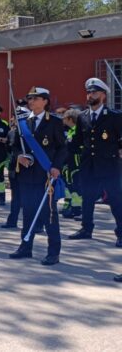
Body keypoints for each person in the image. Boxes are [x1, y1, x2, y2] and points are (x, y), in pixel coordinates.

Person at [8, 87, 66, 266]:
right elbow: (14, 145)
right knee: (28, 212)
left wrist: (56, 166)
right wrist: (18, 156)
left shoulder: (54, 122)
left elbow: (63, 148)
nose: (31, 102)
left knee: (49, 215)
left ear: (45, 101)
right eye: (29, 99)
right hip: (27, 175)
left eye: (35, 98)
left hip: (46, 174)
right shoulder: (24, 122)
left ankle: (53, 252)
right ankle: (26, 246)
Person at [67, 78, 122, 248]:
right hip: (89, 165)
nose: (90, 95)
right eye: (89, 92)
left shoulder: (114, 116)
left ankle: (121, 233)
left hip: (109, 166)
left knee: (116, 200)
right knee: (88, 199)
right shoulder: (82, 117)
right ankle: (86, 228)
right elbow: (77, 140)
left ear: (103, 95)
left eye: (95, 92)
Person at [60, 108, 83, 219]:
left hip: (76, 163)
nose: (62, 120)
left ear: (70, 119)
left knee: (77, 186)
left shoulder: (78, 132)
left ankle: (78, 210)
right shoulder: (70, 131)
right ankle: (73, 208)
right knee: (70, 186)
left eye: (64, 117)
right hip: (69, 163)